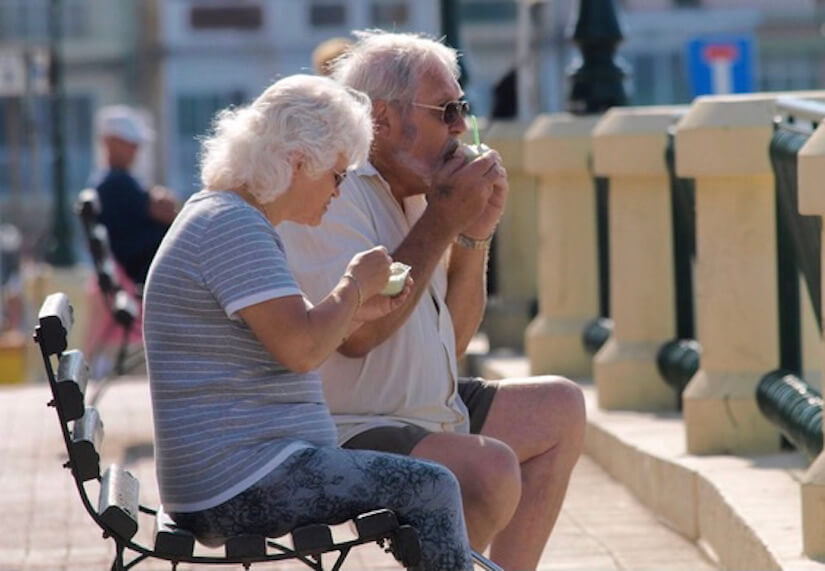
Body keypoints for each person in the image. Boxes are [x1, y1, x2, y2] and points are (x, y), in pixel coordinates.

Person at [278, 31, 587, 571]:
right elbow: (356, 337)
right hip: (353, 426)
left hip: (426, 412)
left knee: (560, 406)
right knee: (487, 471)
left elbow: (458, 339)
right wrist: (445, 217)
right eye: (447, 110)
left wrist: (473, 235)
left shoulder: (419, 190)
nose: (462, 127)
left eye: (463, 108)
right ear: (381, 120)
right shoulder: (334, 190)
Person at [142, 74, 473, 571]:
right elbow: (301, 350)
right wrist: (355, 286)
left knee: (423, 487)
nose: (340, 191)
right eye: (337, 175)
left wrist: (356, 310)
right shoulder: (232, 226)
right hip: (242, 482)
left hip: (239, 473)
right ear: (298, 162)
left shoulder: (225, 216)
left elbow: (296, 336)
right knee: (431, 485)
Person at [94, 105, 179, 286]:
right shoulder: (115, 183)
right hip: (141, 274)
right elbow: (164, 212)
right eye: (128, 143)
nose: (135, 150)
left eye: (135, 145)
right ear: (110, 142)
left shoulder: (115, 181)